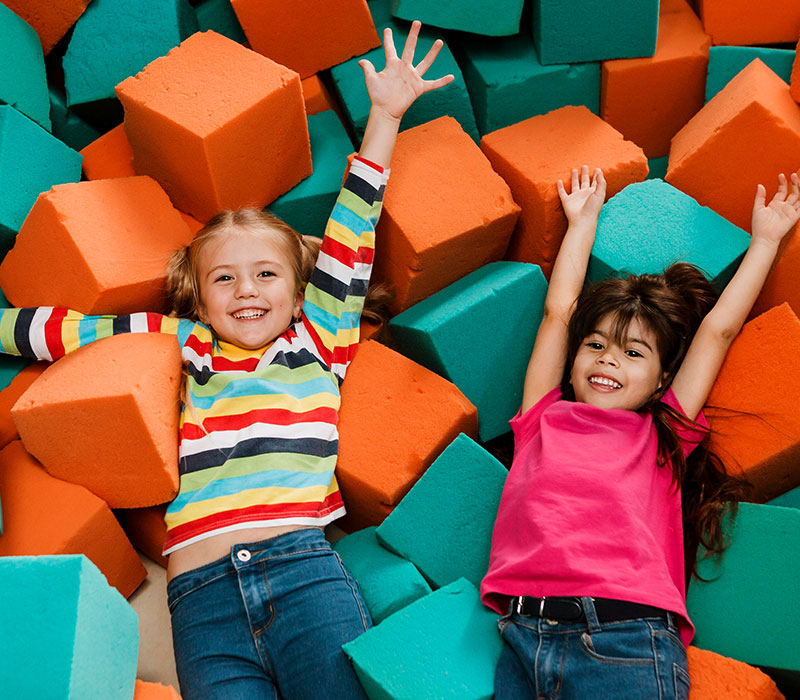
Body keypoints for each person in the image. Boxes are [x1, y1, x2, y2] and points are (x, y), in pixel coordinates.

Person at [0, 21, 452, 699]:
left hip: (302, 574)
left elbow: (353, 229)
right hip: (201, 599)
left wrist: (384, 115)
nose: (247, 290)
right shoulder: (179, 342)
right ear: (198, 298)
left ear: (300, 291)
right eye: (225, 278)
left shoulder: (319, 340)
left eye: (266, 274)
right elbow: (70, 333)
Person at [480, 166, 800, 700]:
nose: (608, 361)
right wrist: (582, 223)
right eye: (597, 345)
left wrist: (766, 240)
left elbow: (719, 330)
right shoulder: (542, 416)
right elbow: (558, 314)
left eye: (633, 353)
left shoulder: (663, 432)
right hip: (523, 635)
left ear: (660, 382)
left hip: (627, 638)